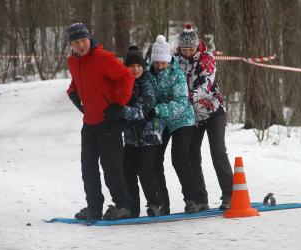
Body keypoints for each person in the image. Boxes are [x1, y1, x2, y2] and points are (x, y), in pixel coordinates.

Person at [66, 23, 135, 220]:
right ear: (71, 44)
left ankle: (123, 205)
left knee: (111, 166)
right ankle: (94, 207)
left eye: (83, 40)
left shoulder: (102, 58)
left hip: (108, 121)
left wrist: (119, 104)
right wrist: (72, 91)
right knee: (88, 168)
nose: (81, 45)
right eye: (76, 42)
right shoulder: (73, 61)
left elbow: (126, 77)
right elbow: (79, 79)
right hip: (89, 123)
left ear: (90, 38)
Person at [175, 24, 233, 210]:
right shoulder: (175, 60)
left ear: (197, 45)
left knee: (217, 151)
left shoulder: (207, 58)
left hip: (213, 111)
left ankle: (230, 194)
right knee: (192, 154)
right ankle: (200, 199)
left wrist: (187, 97)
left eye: (191, 49)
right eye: (184, 49)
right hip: (192, 115)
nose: (188, 52)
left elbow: (207, 84)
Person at [147, 35, 206, 214]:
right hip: (162, 120)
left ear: (168, 61)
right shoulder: (148, 75)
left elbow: (181, 102)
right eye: (157, 63)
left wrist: (157, 110)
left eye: (163, 63)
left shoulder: (177, 74)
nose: (160, 66)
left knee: (179, 157)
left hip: (182, 118)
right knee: (155, 160)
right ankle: (162, 204)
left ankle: (192, 199)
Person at [121, 46, 164, 218]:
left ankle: (155, 204)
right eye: (132, 66)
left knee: (145, 169)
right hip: (131, 137)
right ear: (126, 68)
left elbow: (143, 110)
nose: (136, 69)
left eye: (139, 66)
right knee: (128, 170)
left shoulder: (148, 84)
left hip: (149, 134)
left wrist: (120, 111)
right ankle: (133, 207)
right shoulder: (124, 85)